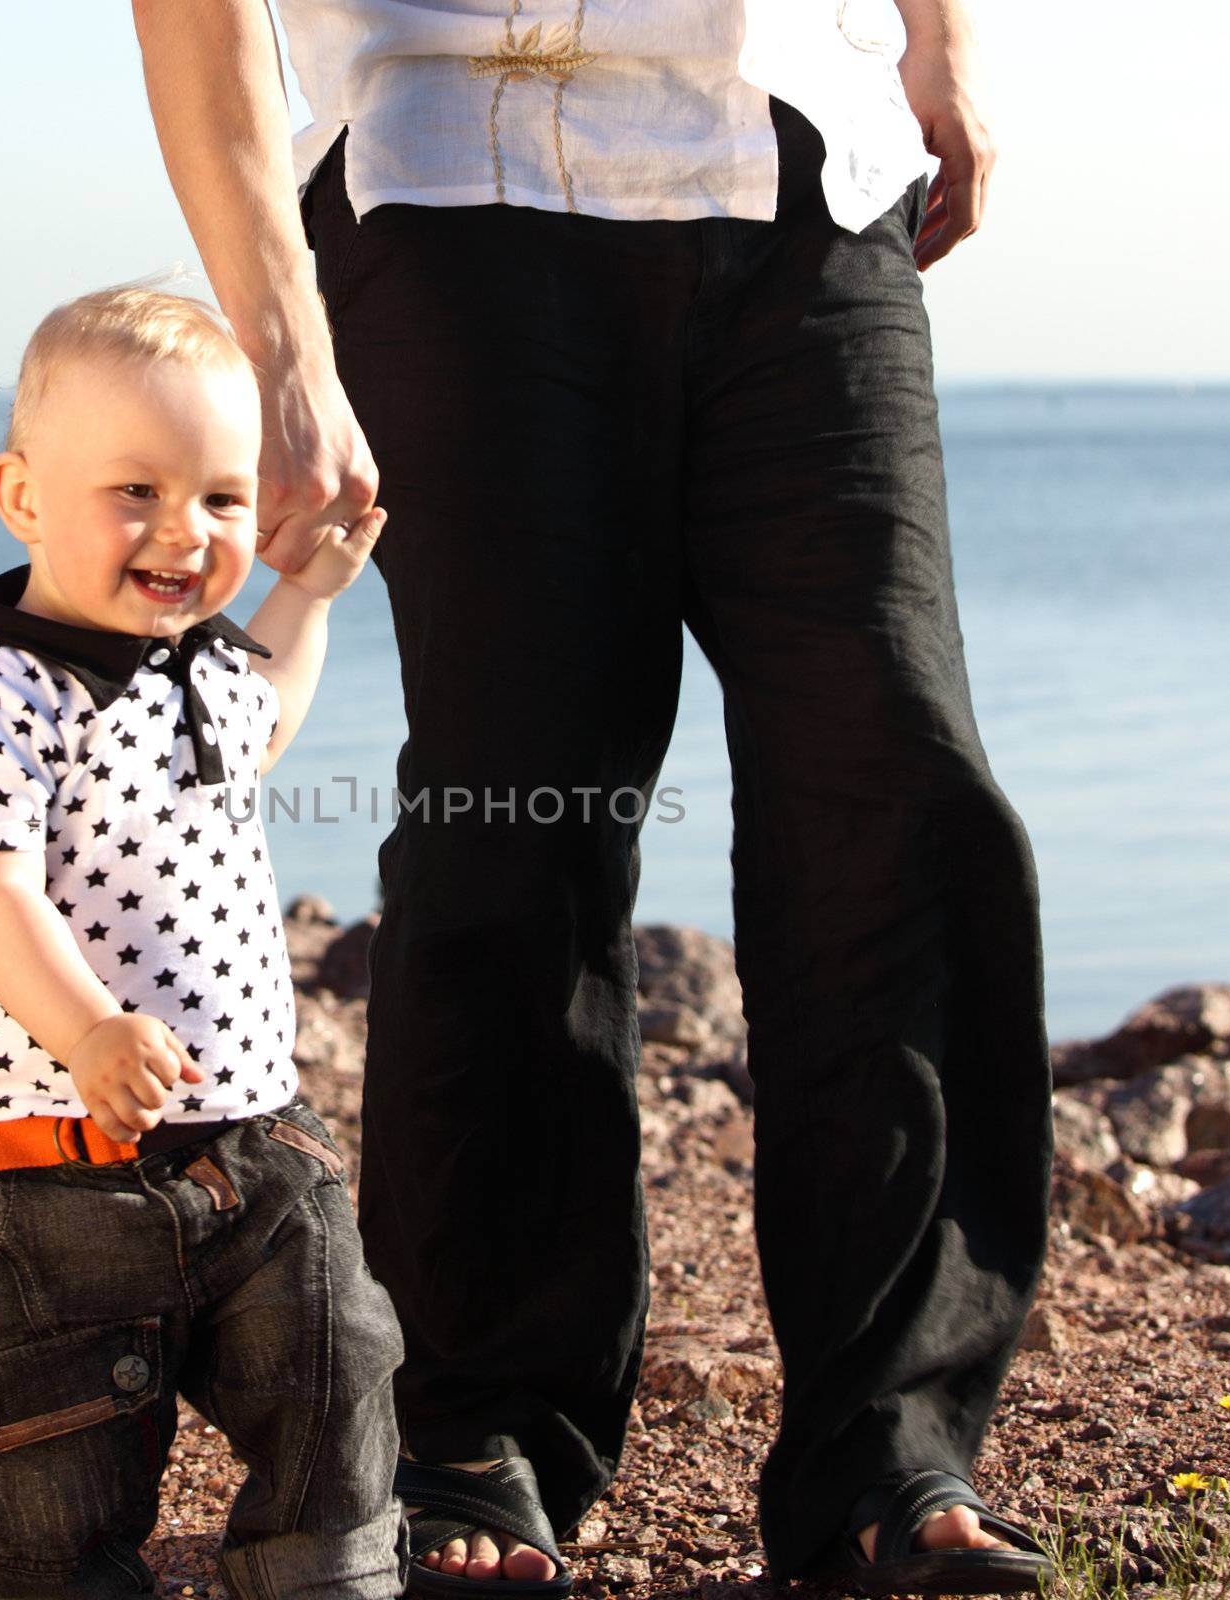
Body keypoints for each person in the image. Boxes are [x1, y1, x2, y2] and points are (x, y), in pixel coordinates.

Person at [131, 1, 1056, 1594]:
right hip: (443, 190)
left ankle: (889, 1450)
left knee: (895, 781)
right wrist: (278, 338)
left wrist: (944, 46)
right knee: (515, 815)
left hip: (802, 174)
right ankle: (481, 1430)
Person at [0, 287, 405, 1600]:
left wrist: (310, 593)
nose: (186, 532)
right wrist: (88, 1031)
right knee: (57, 1478)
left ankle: (321, 1575)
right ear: (23, 498)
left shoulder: (201, 666)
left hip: (254, 1150)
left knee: (341, 1366)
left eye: (223, 500)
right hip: (55, 1180)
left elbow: (267, 714)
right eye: (138, 492)